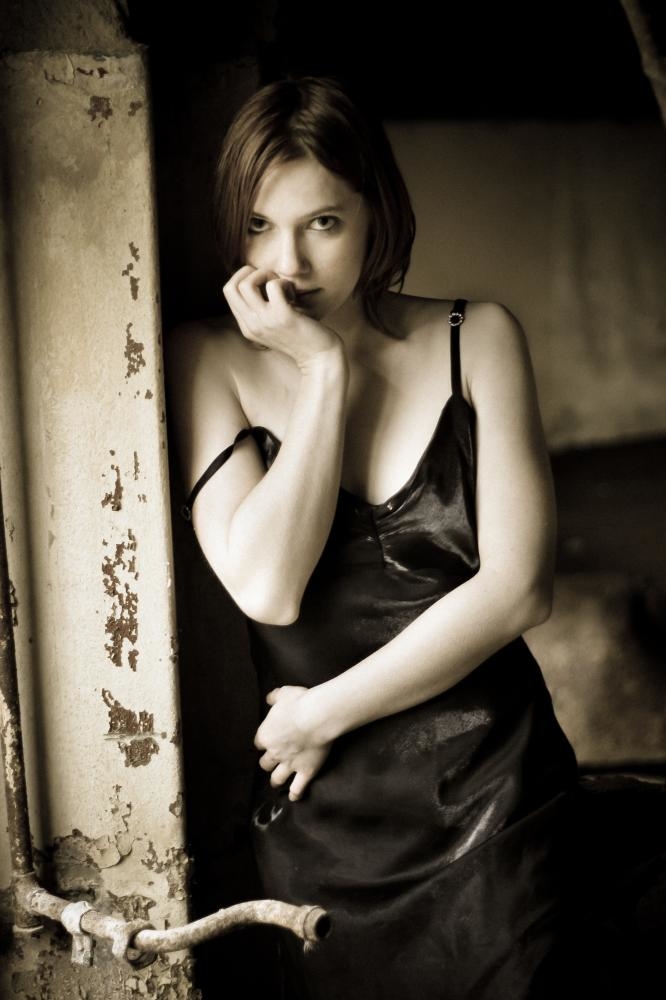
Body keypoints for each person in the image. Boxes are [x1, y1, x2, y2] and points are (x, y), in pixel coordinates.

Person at [165, 75, 581, 1000]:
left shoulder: (478, 337)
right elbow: (268, 589)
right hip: (329, 831)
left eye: (323, 223)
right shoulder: (204, 358)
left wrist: (321, 714)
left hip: (498, 795)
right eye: (259, 227)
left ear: (375, 213)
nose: (287, 264)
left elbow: (519, 589)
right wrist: (323, 373)